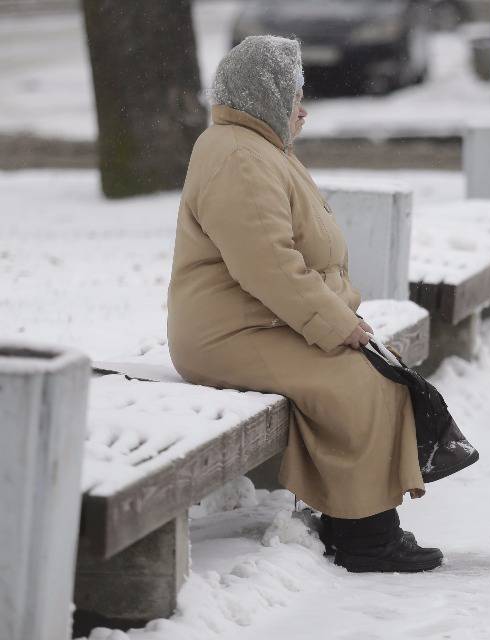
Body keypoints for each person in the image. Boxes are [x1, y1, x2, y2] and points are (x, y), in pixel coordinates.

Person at [167, 35, 442, 573]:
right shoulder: (239, 156)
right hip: (228, 335)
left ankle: (360, 523)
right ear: (264, 93)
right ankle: (365, 539)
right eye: (294, 91)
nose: (302, 106)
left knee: (375, 372)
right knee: (358, 384)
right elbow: (268, 265)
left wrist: (342, 317)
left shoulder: (259, 148)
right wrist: (337, 324)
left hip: (261, 321)